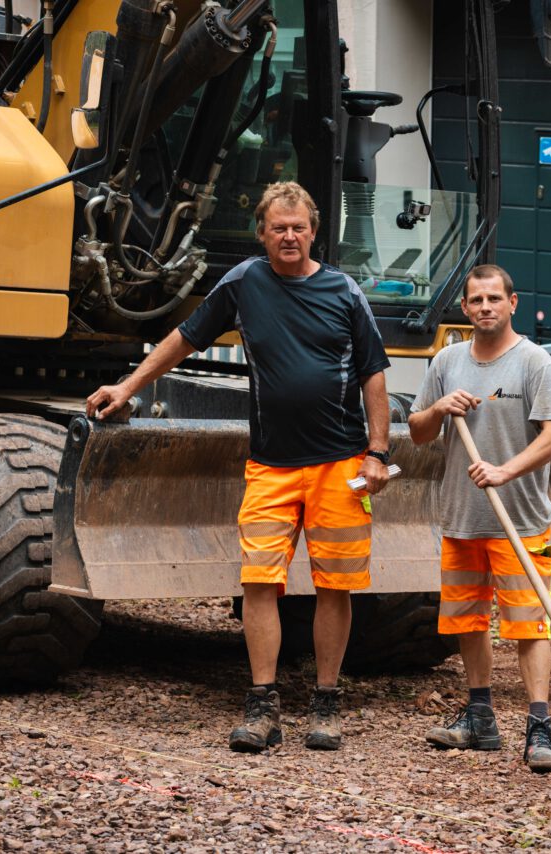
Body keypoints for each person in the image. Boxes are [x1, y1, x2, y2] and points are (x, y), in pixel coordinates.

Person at [85, 181, 391, 754]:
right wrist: (127, 386)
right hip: (270, 467)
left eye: (298, 227)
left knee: (335, 586)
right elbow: (183, 338)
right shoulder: (245, 281)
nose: (289, 236)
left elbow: (374, 371)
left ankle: (326, 706)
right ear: (262, 233)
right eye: (279, 228)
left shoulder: (344, 291)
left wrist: (378, 452)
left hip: (340, 464)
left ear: (314, 230)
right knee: (258, 583)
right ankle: (263, 706)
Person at [407, 263, 551, 772]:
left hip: (520, 521)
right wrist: (438, 409)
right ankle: (480, 717)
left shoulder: (534, 363)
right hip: (460, 518)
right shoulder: (447, 361)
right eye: (476, 301)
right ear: (465, 307)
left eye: (494, 299)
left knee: (527, 625)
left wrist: (506, 471)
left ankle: (539, 728)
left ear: (512, 302)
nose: (485, 308)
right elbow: (415, 431)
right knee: (467, 619)